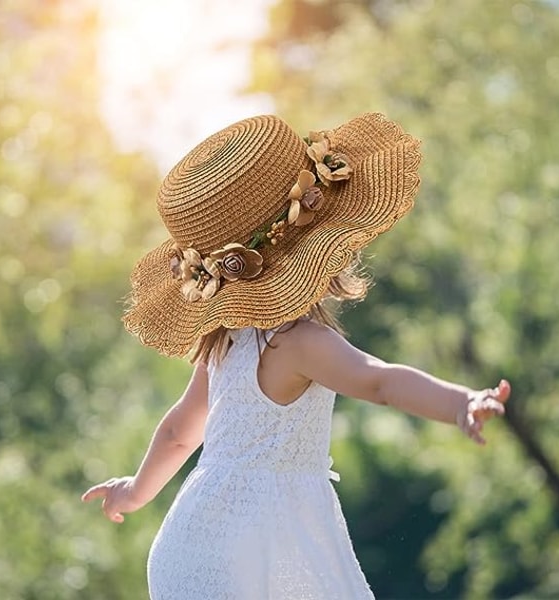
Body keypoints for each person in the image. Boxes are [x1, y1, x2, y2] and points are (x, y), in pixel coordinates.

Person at [81, 113, 510, 599]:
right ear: (321, 243)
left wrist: (136, 490)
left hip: (189, 543)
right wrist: (459, 403)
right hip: (260, 546)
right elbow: (381, 383)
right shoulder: (301, 343)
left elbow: (182, 430)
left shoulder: (225, 343)